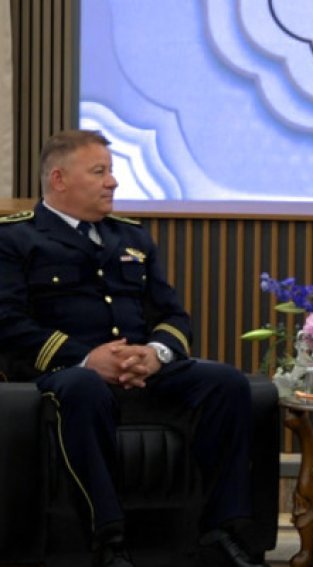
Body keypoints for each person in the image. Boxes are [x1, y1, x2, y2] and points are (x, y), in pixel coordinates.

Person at [0, 130, 266, 567]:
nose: (113, 182)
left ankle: (223, 532)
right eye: (99, 172)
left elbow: (173, 316)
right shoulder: (15, 238)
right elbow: (8, 321)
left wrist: (155, 354)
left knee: (224, 383)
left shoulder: (133, 238)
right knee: (84, 387)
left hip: (141, 372)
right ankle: (107, 539)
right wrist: (87, 358)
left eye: (111, 171)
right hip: (63, 376)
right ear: (59, 179)